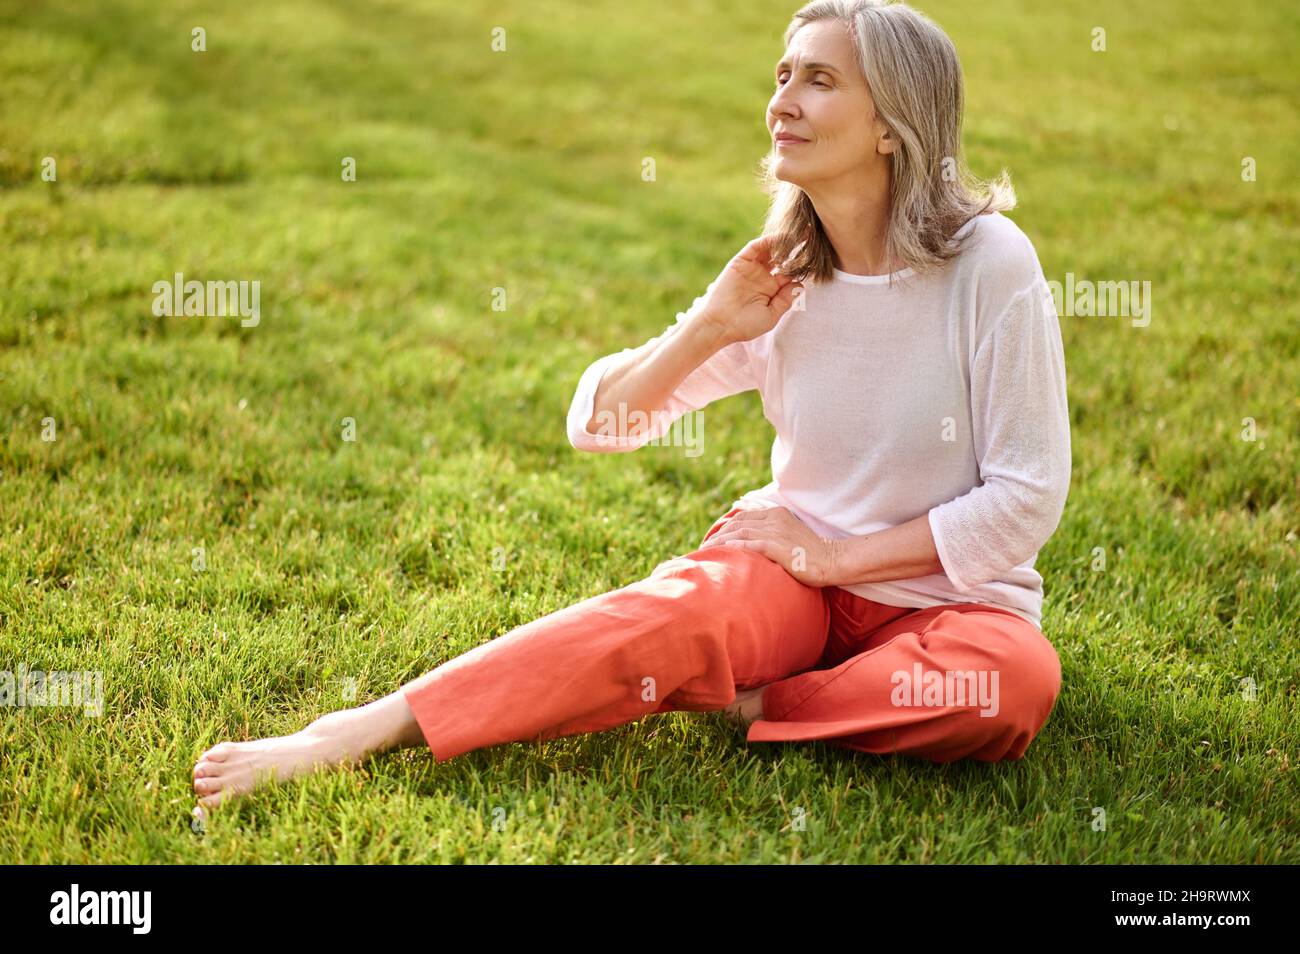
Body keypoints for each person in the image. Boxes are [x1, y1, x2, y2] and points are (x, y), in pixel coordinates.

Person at [192, 0, 1070, 810]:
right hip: (789, 579)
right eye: (782, 74)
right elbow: (601, 424)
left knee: (1006, 686)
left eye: (820, 80)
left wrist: (839, 558)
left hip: (948, 602)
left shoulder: (989, 265)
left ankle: (756, 704)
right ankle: (366, 726)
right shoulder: (783, 271)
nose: (783, 102)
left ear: (893, 125)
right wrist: (709, 330)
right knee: (672, 616)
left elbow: (1027, 494)